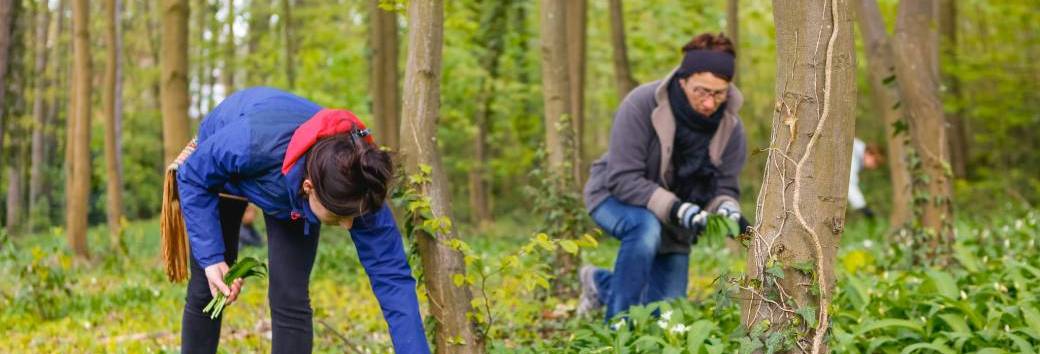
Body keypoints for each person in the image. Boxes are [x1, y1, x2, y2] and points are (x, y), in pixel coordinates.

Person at [173, 87, 429, 353]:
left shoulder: (360, 185)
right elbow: (193, 176)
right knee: (209, 288)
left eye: (353, 216)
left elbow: (393, 280)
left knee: (290, 295)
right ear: (309, 187)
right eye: (339, 216)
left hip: (288, 182)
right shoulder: (249, 142)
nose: (348, 225)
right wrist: (212, 258)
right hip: (222, 173)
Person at [578, 33, 748, 320]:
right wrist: (678, 209)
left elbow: (724, 186)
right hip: (613, 196)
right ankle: (618, 328)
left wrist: (726, 208)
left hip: (676, 220)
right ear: (683, 80)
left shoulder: (732, 127)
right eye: (701, 91)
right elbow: (622, 177)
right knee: (645, 229)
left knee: (665, 313)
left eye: (719, 94)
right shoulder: (642, 103)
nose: (709, 103)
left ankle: (599, 284)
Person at [849, 138, 883, 218]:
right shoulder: (854, 153)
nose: (874, 167)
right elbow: (849, 184)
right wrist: (862, 207)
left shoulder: (857, 151)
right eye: (875, 162)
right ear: (870, 153)